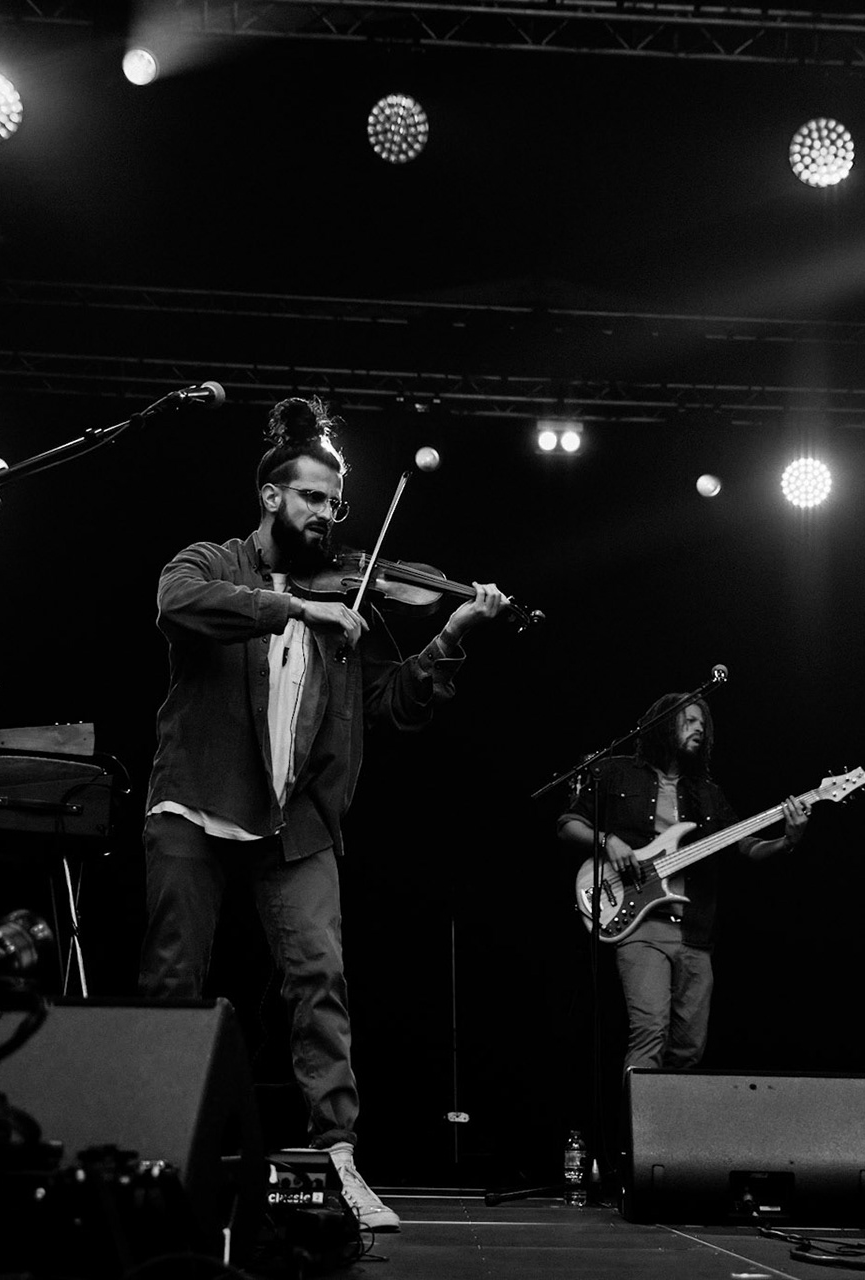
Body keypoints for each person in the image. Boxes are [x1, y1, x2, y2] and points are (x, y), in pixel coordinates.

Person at [138, 396, 505, 1233]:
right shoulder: (216, 561)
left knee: (321, 980)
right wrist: (298, 609)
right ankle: (157, 1151)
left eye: (336, 505)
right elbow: (175, 605)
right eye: (311, 499)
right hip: (195, 802)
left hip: (293, 821)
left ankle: (338, 1158)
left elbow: (389, 702)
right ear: (272, 496)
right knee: (172, 979)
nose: (326, 516)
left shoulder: (351, 598)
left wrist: (449, 635)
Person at [557, 693, 810, 1073]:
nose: (699, 728)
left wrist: (788, 839)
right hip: (640, 926)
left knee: (690, 1048)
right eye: (689, 720)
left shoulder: (707, 794)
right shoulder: (616, 773)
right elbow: (568, 825)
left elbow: (746, 846)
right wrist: (609, 841)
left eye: (703, 724)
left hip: (695, 932)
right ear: (663, 725)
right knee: (650, 1032)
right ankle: (640, 1133)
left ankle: (669, 1126)